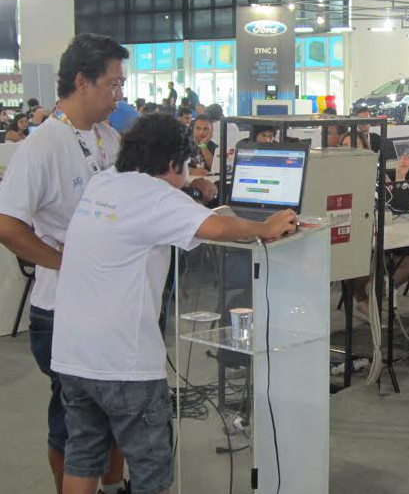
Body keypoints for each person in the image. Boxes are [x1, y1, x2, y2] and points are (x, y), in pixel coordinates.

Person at [51, 112, 298, 494]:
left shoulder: (104, 182)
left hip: (72, 354)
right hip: (123, 361)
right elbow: (213, 227)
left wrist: (192, 195)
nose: (185, 178)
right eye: (184, 169)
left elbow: (157, 218)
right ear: (170, 164)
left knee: (83, 453)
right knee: (152, 470)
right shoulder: (155, 195)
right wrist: (265, 227)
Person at [0, 33, 131, 494]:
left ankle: (113, 487)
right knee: (73, 421)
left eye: (121, 85)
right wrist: (63, 262)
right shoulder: (42, 147)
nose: (119, 95)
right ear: (82, 81)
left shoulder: (110, 139)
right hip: (60, 312)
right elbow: (8, 225)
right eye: (113, 85)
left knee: (118, 409)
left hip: (111, 307)